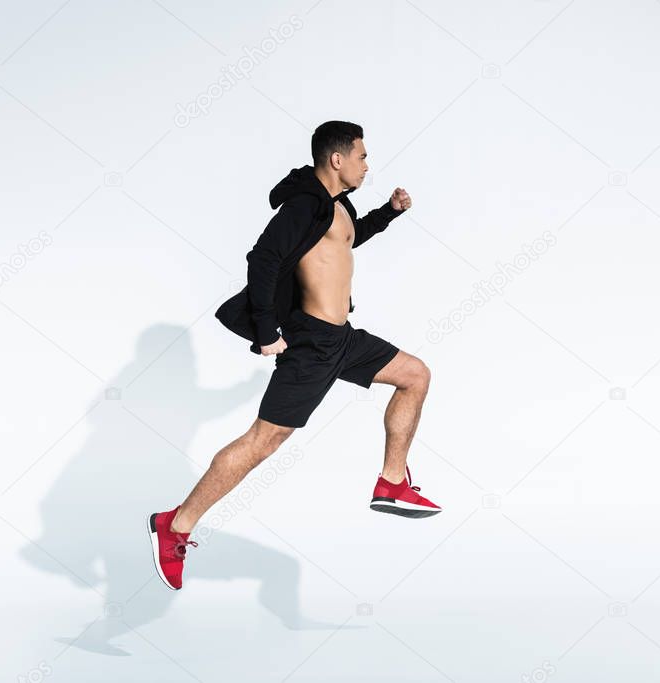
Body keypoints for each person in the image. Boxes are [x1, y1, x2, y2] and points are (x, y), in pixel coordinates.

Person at [147, 121, 442, 591]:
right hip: (311, 344)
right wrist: (267, 331)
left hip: (342, 339)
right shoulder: (305, 204)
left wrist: (387, 212)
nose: (368, 166)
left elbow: (344, 241)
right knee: (265, 440)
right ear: (337, 159)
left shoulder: (337, 206)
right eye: (362, 157)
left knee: (415, 375)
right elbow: (263, 259)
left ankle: (391, 482)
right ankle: (176, 525)